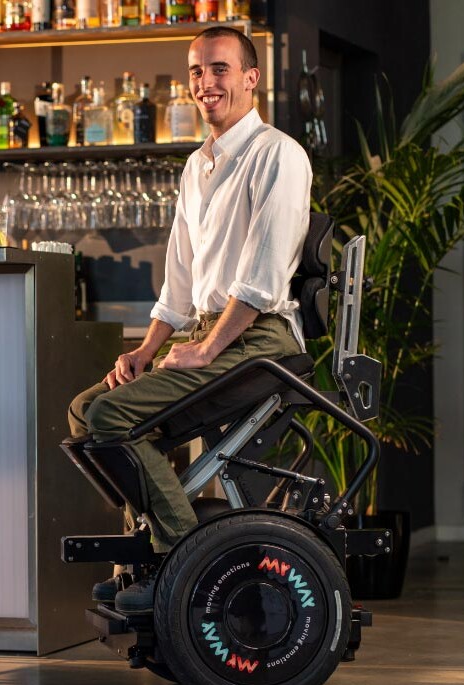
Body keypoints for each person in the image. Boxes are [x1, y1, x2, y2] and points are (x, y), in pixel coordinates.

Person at [67, 26, 312, 614]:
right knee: (85, 411)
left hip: (257, 338)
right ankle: (150, 556)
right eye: (197, 70)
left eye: (220, 69)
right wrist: (146, 349)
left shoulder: (277, 154)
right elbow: (178, 283)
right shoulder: (196, 166)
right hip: (210, 330)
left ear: (252, 78)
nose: (206, 82)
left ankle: (180, 564)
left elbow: (259, 277)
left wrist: (204, 349)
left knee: (109, 416)